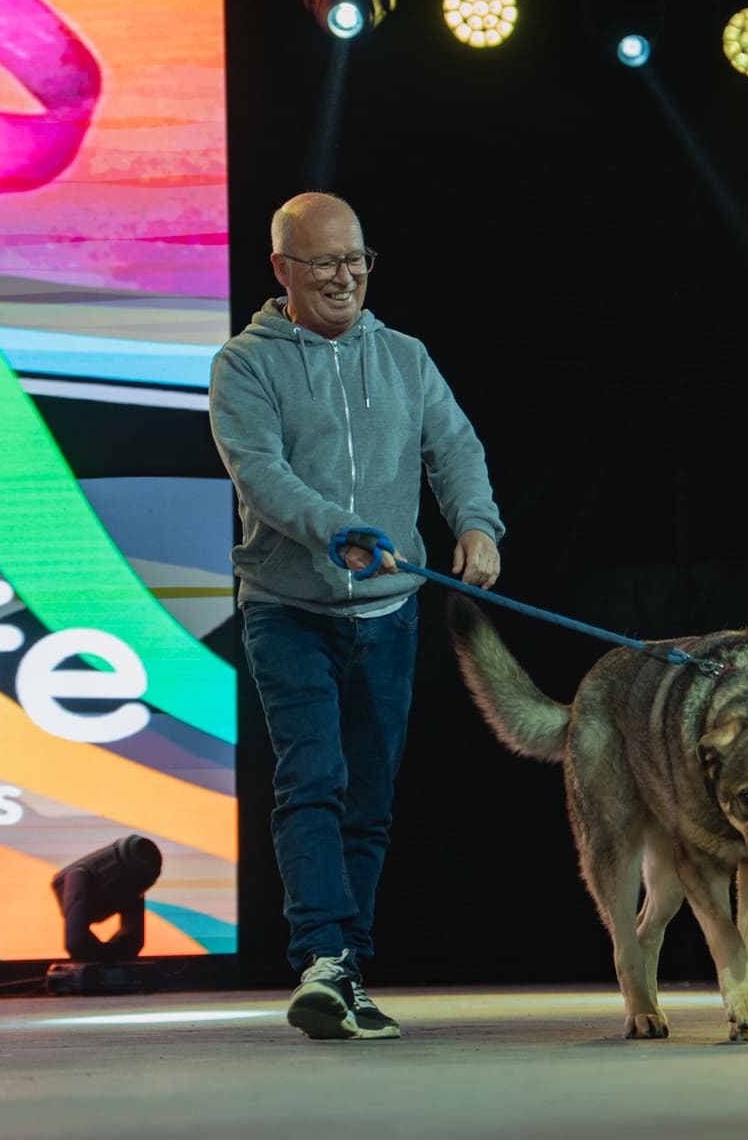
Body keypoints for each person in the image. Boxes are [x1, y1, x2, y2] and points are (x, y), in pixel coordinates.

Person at [209, 191, 505, 1040]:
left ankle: (346, 970)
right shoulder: (247, 364)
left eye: (357, 261)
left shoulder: (406, 357)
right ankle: (322, 957)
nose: (345, 279)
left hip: (388, 614)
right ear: (282, 271)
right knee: (314, 782)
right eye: (325, 263)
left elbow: (454, 447)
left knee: (369, 800)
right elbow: (259, 473)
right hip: (286, 609)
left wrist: (479, 524)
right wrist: (334, 530)